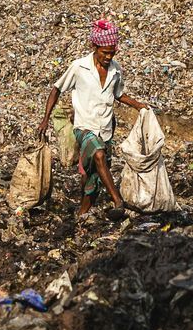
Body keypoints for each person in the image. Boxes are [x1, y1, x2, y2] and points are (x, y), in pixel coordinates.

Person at [32, 19, 150, 221]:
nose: (108, 57)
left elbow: (118, 95)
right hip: (84, 128)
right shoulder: (79, 67)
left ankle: (81, 215)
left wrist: (138, 105)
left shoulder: (116, 69)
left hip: (105, 128)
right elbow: (56, 89)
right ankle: (118, 200)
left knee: (93, 177)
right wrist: (45, 119)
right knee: (98, 154)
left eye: (112, 53)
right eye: (104, 52)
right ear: (94, 47)